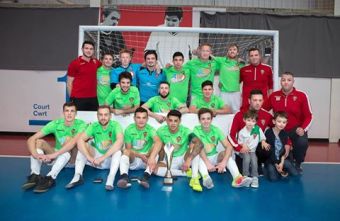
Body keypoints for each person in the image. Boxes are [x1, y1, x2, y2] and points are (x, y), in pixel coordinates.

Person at [22, 102, 86, 193]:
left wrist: (53, 155)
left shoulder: (81, 124)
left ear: (76, 113)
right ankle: (35, 175)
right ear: (63, 113)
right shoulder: (56, 124)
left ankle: (50, 178)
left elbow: (72, 143)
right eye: (67, 111)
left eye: (72, 111)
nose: (69, 113)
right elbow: (31, 139)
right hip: (58, 157)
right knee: (39, 142)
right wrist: (35, 155)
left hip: (72, 160)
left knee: (69, 140)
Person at [263, 71, 313, 173]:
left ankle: (298, 163)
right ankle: (276, 162)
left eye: (289, 80)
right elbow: (263, 111)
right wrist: (271, 124)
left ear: (293, 82)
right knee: (282, 160)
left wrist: (303, 128)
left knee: (302, 142)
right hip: (280, 130)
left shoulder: (302, 96)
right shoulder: (273, 96)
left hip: (295, 130)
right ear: (280, 82)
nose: (286, 82)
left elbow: (309, 116)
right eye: (283, 80)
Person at [65, 105, 123, 191]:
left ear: (110, 116)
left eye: (106, 115)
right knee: (82, 146)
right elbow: (80, 140)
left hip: (109, 159)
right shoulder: (93, 126)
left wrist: (102, 158)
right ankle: (77, 176)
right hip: (96, 161)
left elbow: (120, 141)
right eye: (100, 115)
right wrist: (90, 158)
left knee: (118, 151)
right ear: (97, 116)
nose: (103, 117)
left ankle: (110, 178)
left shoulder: (115, 125)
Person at [193, 108, 253, 189]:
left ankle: (237, 178)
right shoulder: (196, 130)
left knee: (226, 154)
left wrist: (224, 162)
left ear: (211, 120)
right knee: (197, 156)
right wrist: (207, 163)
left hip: (214, 156)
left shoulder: (216, 130)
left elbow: (228, 146)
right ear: (199, 120)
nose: (206, 121)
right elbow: (198, 147)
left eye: (208, 118)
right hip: (203, 158)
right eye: (203, 119)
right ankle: (206, 179)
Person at [147, 110, 204, 192]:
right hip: (168, 160)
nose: (173, 123)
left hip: (183, 158)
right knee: (154, 170)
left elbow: (200, 143)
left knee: (196, 148)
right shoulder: (160, 131)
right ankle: (185, 173)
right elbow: (155, 146)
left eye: (176, 121)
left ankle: (195, 178)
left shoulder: (186, 131)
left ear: (179, 121)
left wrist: (188, 160)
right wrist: (153, 158)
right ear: (166, 121)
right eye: (170, 120)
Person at [228, 89, 273, 174]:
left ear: (263, 101)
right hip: (243, 149)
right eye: (255, 100)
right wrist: (239, 147)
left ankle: (259, 163)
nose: (257, 103)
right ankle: (247, 164)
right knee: (242, 173)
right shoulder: (239, 115)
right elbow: (231, 135)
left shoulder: (266, 115)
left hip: (255, 148)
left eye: (260, 100)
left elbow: (277, 127)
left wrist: (287, 142)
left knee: (267, 148)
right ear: (249, 101)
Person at [116, 107, 159, 189]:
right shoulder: (129, 129)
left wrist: (151, 157)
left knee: (156, 146)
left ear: (147, 119)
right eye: (138, 117)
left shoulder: (150, 129)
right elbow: (129, 149)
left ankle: (145, 177)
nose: (141, 120)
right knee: (125, 151)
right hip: (134, 159)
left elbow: (158, 141)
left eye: (144, 118)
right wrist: (140, 156)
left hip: (147, 160)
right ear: (134, 118)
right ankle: (124, 177)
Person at [67, 40, 102, 111]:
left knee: (94, 120)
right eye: (86, 48)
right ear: (82, 49)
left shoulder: (95, 62)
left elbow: (106, 67)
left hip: (93, 98)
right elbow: (69, 83)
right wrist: (72, 99)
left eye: (91, 49)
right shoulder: (75, 63)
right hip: (78, 99)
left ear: (93, 51)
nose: (89, 51)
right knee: (79, 121)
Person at [237, 110, 268, 188]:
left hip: (252, 151)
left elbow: (262, 138)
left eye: (253, 121)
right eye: (248, 120)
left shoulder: (257, 129)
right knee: (247, 159)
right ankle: (245, 176)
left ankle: (255, 177)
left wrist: (263, 142)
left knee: (254, 160)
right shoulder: (242, 132)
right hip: (244, 151)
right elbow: (240, 143)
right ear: (244, 120)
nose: (250, 123)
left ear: (256, 122)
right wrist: (244, 145)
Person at [264, 111, 299, 181]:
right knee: (273, 179)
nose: (281, 124)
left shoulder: (284, 134)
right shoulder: (268, 132)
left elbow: (283, 150)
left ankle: (282, 168)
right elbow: (270, 151)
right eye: (279, 121)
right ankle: (273, 169)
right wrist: (276, 164)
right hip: (271, 159)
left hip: (280, 159)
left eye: (284, 122)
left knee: (295, 173)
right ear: (274, 121)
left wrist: (282, 163)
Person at [213, 44, 245, 113]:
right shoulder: (222, 61)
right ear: (227, 52)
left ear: (237, 52)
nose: (232, 51)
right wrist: (197, 52)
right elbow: (210, 57)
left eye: (234, 50)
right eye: (230, 50)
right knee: (223, 112)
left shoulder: (241, 63)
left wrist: (243, 62)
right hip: (224, 92)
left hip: (236, 92)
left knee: (236, 112)